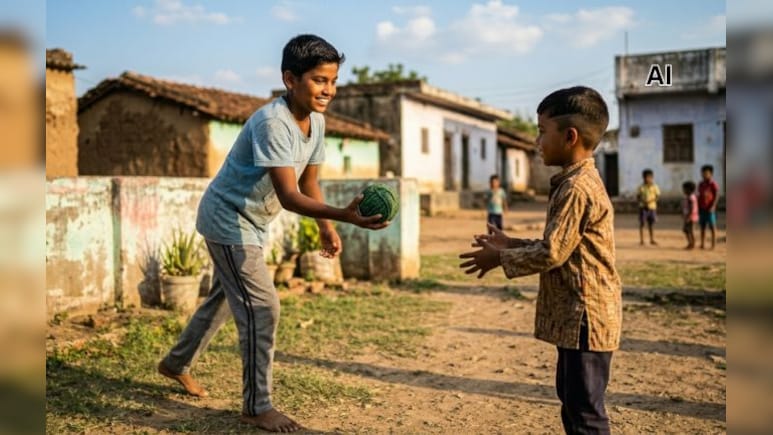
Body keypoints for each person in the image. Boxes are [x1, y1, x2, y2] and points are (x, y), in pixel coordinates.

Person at [157, 34, 388, 433]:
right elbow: (289, 194)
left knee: (226, 299)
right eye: (319, 80)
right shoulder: (271, 122)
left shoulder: (316, 122)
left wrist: (327, 227)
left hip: (251, 221)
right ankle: (257, 405)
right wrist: (346, 216)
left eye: (332, 81)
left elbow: (310, 181)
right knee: (263, 307)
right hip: (228, 220)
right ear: (290, 79)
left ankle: (175, 363)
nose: (328, 90)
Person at [460, 86, 621, 434]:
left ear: (570, 136)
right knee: (573, 400)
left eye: (542, 131)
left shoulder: (577, 187)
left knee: (586, 413)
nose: (537, 141)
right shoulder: (572, 182)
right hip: (579, 317)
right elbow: (562, 243)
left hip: (586, 317)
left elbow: (552, 253)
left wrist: (500, 257)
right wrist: (513, 241)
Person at [698, 164, 720, 249]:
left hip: (710, 209)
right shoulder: (701, 184)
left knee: (712, 227)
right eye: (703, 173)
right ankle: (702, 244)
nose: (704, 175)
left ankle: (713, 245)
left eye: (706, 173)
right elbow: (700, 195)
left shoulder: (713, 184)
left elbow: (717, 195)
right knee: (702, 227)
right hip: (702, 208)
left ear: (711, 174)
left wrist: (713, 206)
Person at [637, 169, 660, 246]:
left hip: (652, 207)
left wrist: (650, 201)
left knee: (651, 224)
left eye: (649, 177)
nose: (647, 179)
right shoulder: (641, 187)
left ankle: (652, 239)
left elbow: (657, 196)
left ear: (652, 177)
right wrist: (643, 201)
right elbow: (638, 196)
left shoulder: (654, 186)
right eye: (646, 177)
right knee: (642, 224)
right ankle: (642, 240)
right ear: (643, 178)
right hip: (643, 207)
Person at [681, 181, 698, 249]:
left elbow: (691, 208)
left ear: (689, 189)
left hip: (691, 217)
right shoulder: (687, 197)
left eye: (684, 189)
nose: (683, 190)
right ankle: (690, 243)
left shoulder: (691, 197)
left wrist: (688, 216)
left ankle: (692, 243)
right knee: (686, 230)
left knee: (690, 230)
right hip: (688, 216)